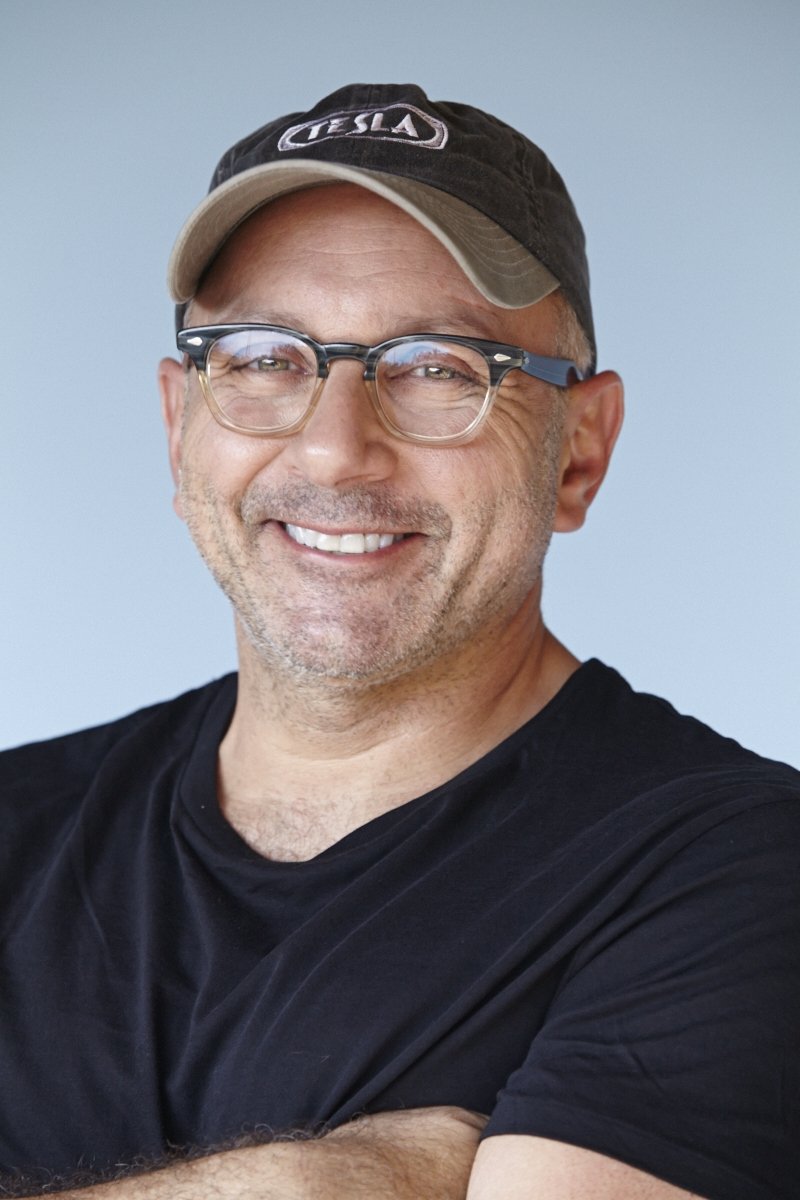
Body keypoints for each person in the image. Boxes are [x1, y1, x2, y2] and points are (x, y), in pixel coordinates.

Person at [1, 82, 797, 1200]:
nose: (335, 450)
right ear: (179, 425)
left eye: (437, 367)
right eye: (263, 357)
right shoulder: (17, 826)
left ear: (578, 451)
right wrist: (317, 1182)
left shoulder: (737, 873)